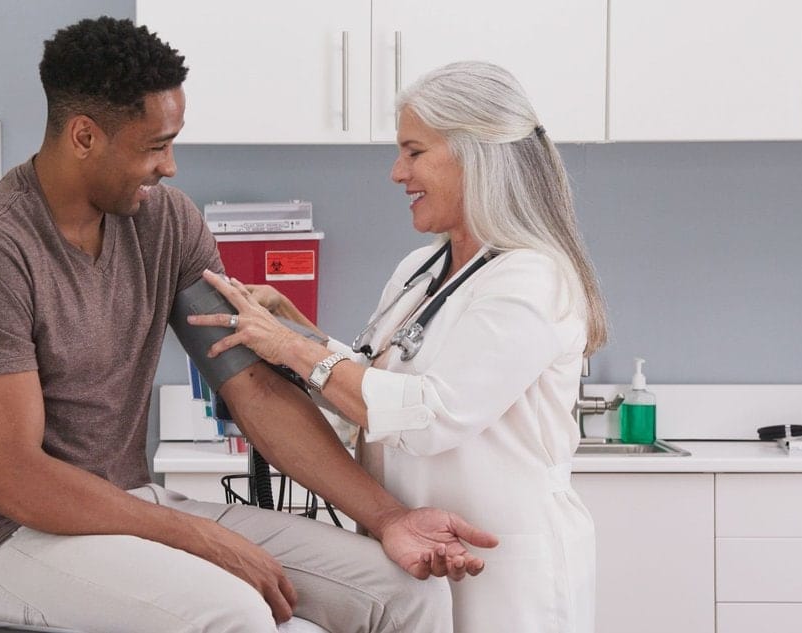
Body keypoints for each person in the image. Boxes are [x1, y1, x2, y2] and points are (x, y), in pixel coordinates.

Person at [0, 18, 499, 633]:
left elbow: (251, 387)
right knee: (233, 613)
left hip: (129, 506)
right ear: (84, 136)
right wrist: (199, 537)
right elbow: (15, 482)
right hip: (9, 544)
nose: (170, 167)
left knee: (405, 592)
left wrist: (388, 520)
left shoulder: (166, 223)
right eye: (153, 146)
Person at [190, 61, 605, 633]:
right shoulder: (422, 268)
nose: (395, 173)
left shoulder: (533, 278)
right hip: (419, 552)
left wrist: (293, 347)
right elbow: (373, 384)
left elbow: (431, 413)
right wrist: (296, 328)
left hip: (507, 565)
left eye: (414, 152)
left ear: (474, 154)